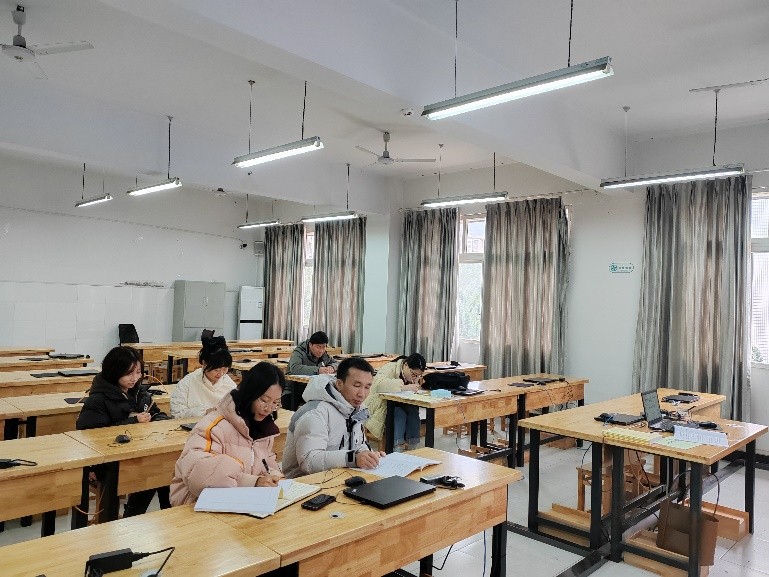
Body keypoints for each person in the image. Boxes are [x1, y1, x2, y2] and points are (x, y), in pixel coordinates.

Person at [170, 362, 285, 505]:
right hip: (198, 505)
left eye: (276, 403)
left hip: (241, 503)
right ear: (250, 393)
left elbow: (266, 465)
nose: (269, 408)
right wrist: (253, 482)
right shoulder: (214, 425)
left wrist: (276, 479)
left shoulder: (264, 430)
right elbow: (198, 475)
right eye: (264, 400)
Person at [76, 346, 171, 517]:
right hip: (107, 462)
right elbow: (91, 434)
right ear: (114, 372)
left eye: (138, 372)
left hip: (138, 454)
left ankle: (168, 517)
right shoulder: (98, 399)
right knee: (152, 470)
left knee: (165, 467)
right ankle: (127, 518)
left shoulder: (139, 394)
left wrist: (158, 420)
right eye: (129, 374)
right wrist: (133, 421)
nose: (135, 378)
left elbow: (156, 413)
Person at [282, 357, 384, 478]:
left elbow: (358, 444)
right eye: (357, 385)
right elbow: (309, 462)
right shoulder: (315, 413)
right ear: (339, 384)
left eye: (367, 387)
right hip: (305, 483)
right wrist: (353, 458)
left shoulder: (355, 409)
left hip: (341, 476)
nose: (362, 394)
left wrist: (368, 455)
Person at [364, 353, 426, 450]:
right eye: (413, 374)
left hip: (399, 403)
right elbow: (378, 385)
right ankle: (398, 447)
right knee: (399, 414)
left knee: (413, 412)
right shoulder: (390, 368)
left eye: (419, 375)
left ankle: (412, 447)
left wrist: (416, 382)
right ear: (406, 365)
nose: (415, 377)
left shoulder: (411, 375)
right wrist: (404, 387)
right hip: (380, 405)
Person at [170, 335, 236, 418]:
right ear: (204, 364)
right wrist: (204, 412)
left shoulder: (229, 384)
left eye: (225, 369)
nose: (221, 374)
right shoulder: (188, 382)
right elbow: (176, 413)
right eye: (216, 370)